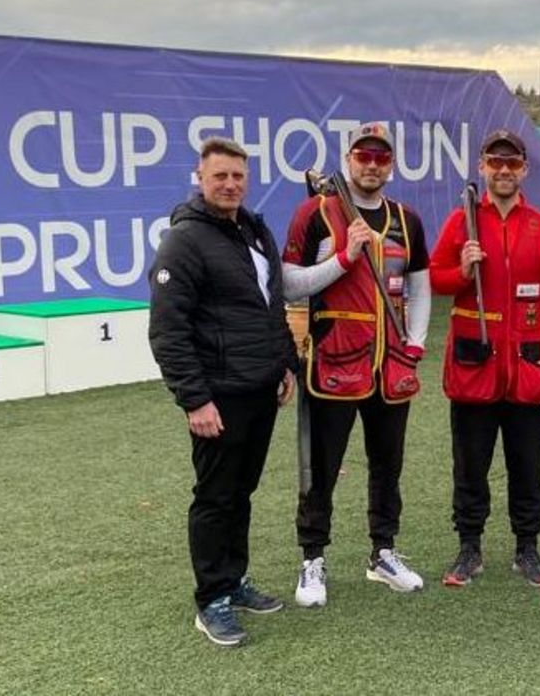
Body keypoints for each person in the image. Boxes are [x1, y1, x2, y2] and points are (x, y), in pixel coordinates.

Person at [148, 137, 297, 647]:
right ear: (200, 178)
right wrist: (195, 399)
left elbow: (270, 304)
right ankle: (211, 598)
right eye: (219, 177)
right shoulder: (183, 241)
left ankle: (234, 581)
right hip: (218, 397)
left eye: (237, 176)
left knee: (241, 493)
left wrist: (285, 365)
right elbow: (168, 330)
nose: (230, 184)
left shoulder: (255, 230)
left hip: (260, 390)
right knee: (214, 497)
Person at [282, 122, 430, 605]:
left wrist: (417, 344)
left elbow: (420, 285)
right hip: (333, 361)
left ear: (390, 164)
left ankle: (383, 553)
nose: (371, 164)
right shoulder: (316, 213)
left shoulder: (407, 220)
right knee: (321, 469)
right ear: (349, 159)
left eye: (380, 157)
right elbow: (289, 285)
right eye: (363, 155)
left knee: (388, 466)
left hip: (392, 366)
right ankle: (312, 559)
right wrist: (344, 258)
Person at [429, 129, 540, 588]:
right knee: (470, 465)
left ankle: (527, 548)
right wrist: (462, 270)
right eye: (496, 162)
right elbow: (434, 280)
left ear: (525, 170)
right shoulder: (461, 222)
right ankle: (469, 548)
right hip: (475, 367)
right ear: (482, 167)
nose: (504, 171)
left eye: (512, 164)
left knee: (527, 465)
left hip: (527, 369)